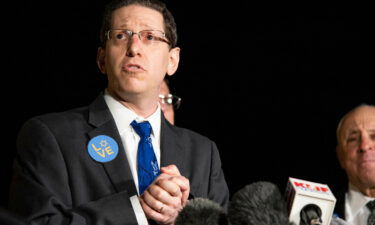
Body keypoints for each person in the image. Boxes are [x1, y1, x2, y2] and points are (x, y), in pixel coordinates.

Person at [8, 0, 229, 224]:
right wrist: (136, 209)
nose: (134, 48)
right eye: (121, 36)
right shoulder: (51, 136)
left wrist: (184, 217)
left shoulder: (203, 153)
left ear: (172, 60)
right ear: (102, 59)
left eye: (150, 37)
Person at [334, 104, 375, 225]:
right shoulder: (314, 213)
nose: (364, 146)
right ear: (340, 156)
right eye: (352, 139)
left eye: (374, 136)